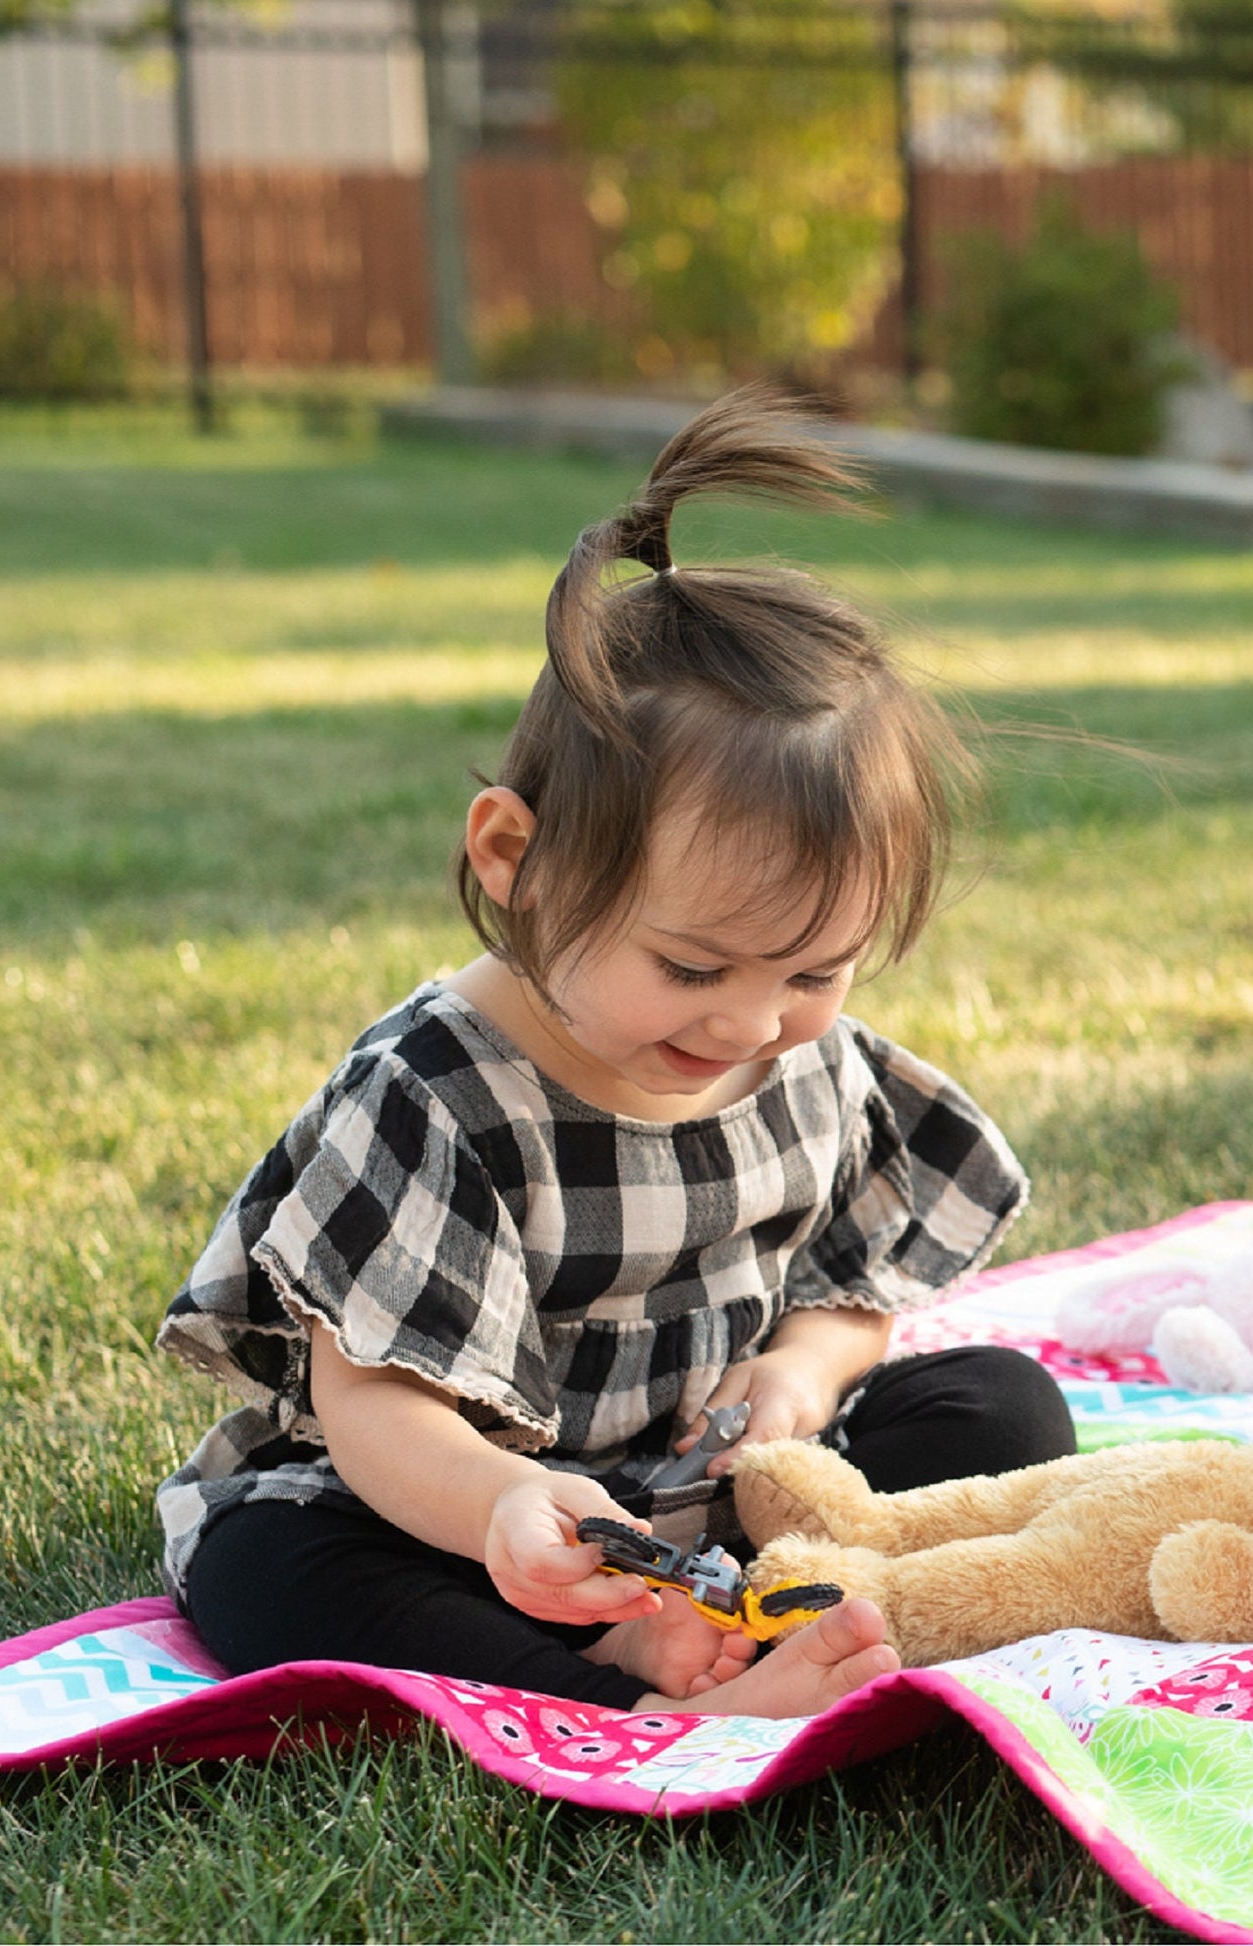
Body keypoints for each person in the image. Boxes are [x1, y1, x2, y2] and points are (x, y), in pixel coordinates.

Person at [154, 387, 1076, 1718]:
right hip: (464, 1512)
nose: (749, 1024)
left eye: (816, 969)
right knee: (269, 1564)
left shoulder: (803, 1060)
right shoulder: (438, 1097)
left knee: (1000, 1406)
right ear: (513, 862)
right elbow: (371, 1403)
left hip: (704, 1487)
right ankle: (626, 1688)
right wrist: (503, 1504)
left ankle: (761, 1613)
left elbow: (857, 1269)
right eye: (692, 966)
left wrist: (804, 1370)